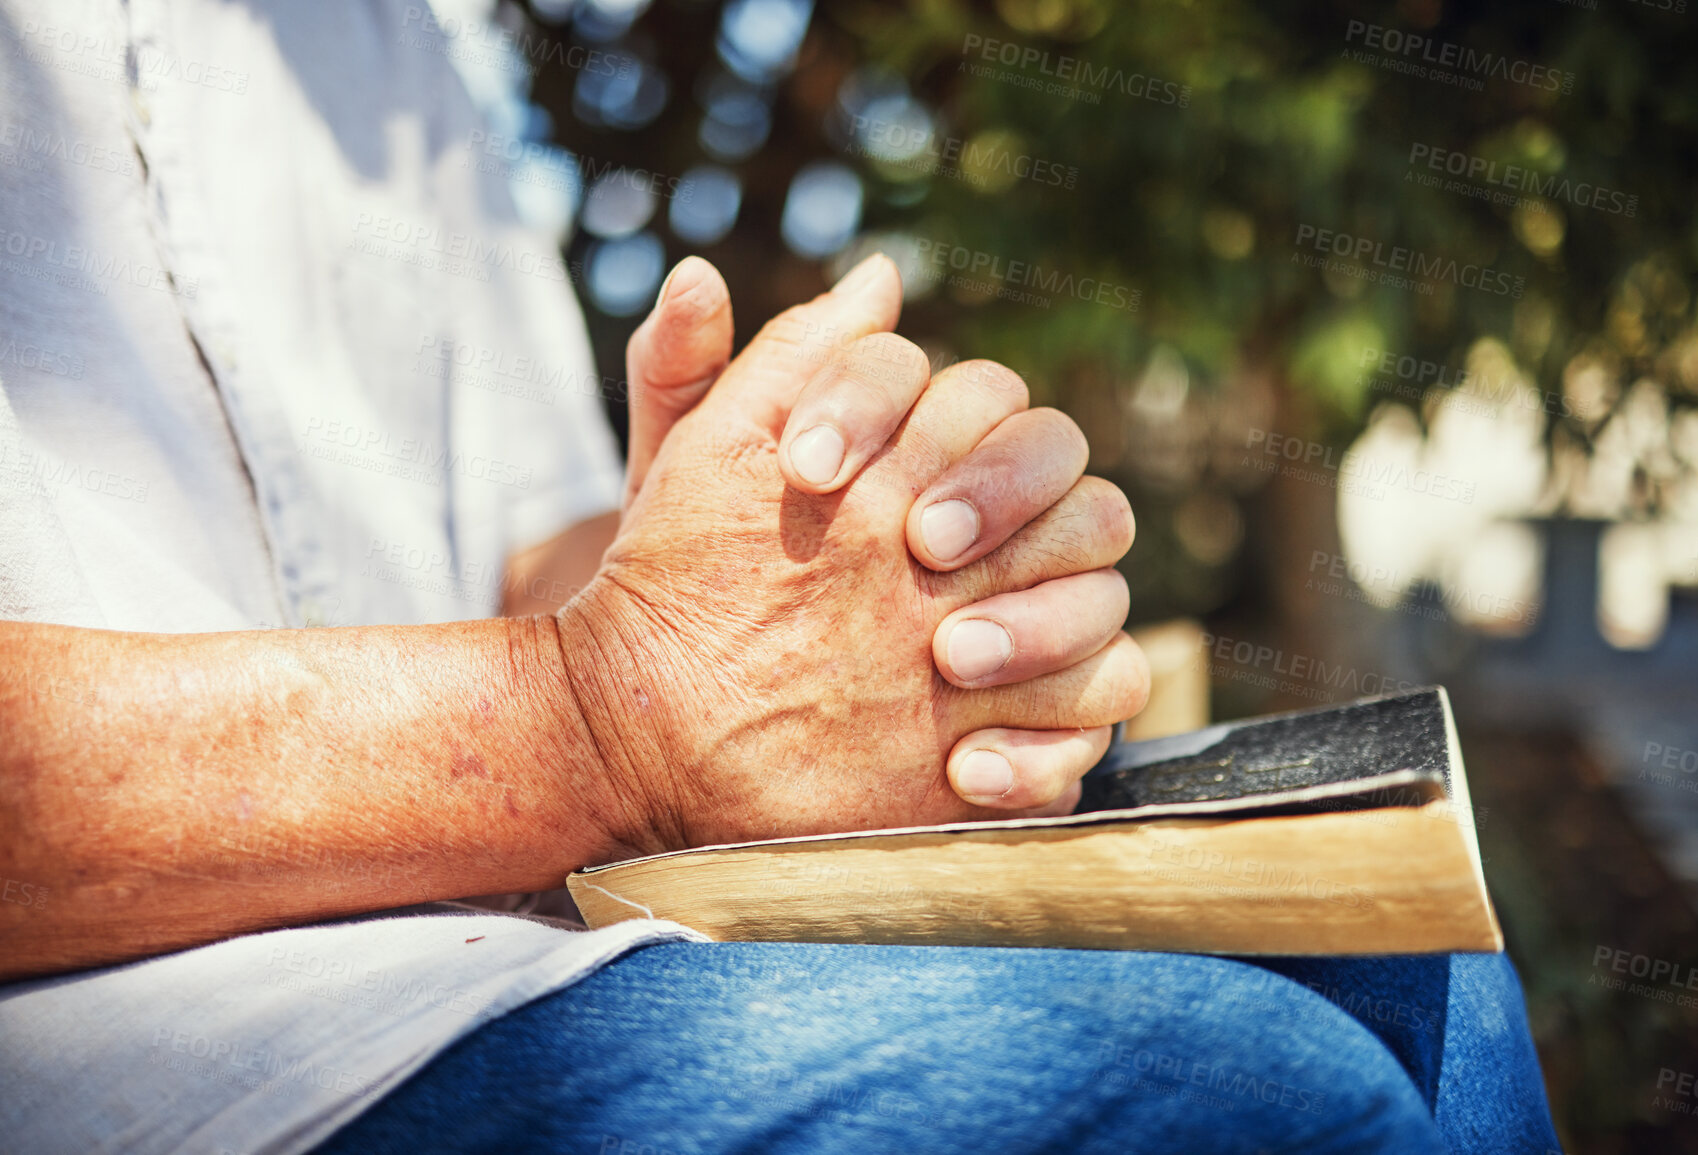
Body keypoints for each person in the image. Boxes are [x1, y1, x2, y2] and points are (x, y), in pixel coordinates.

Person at [0, 2, 1562, 1151]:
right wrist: (616, 716)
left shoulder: (389, 51)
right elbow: (603, 684)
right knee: (1237, 1102)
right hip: (141, 1054)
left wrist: (865, 604)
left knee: (1408, 970)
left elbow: (535, 553)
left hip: (503, 933)